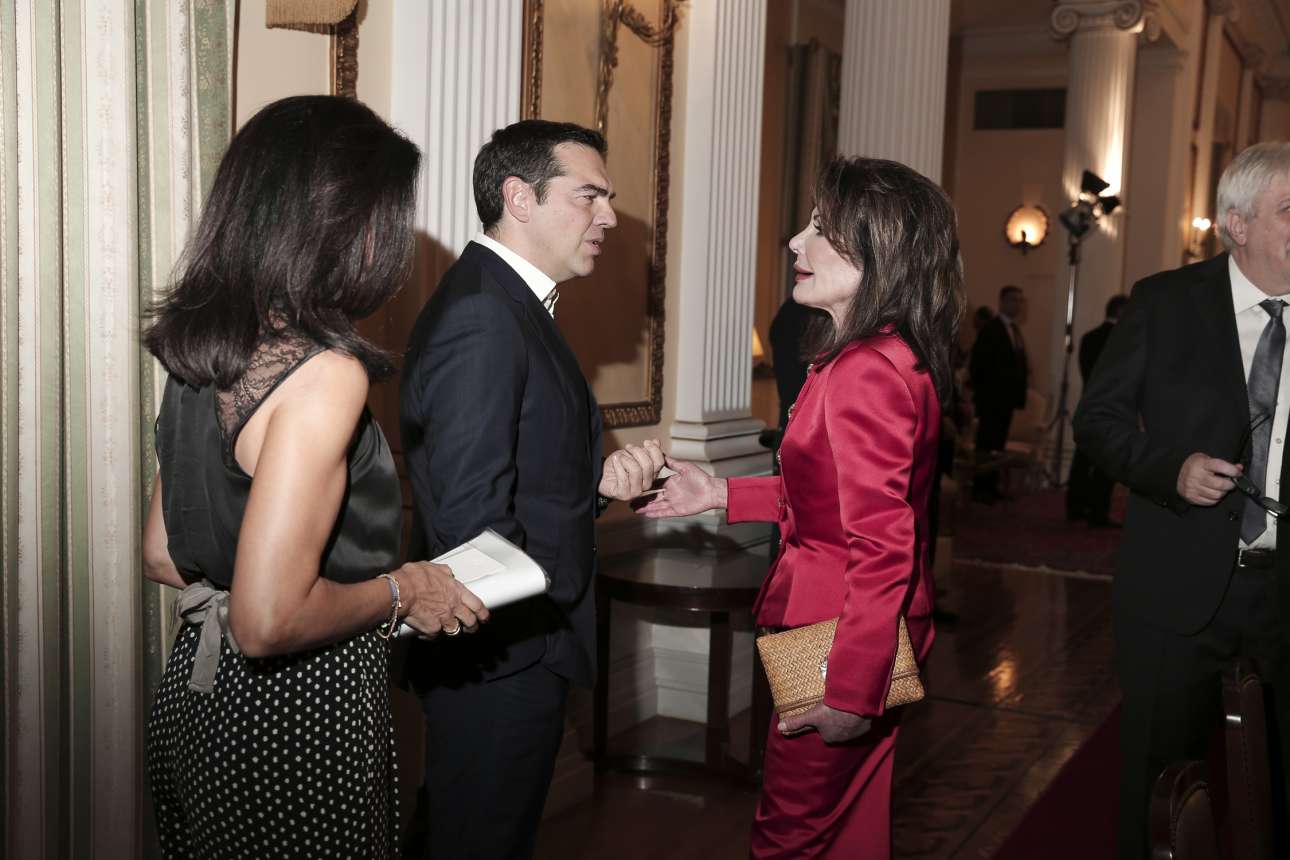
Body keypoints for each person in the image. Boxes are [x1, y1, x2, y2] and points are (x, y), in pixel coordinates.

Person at [141, 96, 487, 859]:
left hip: (196, 701)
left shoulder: (200, 348)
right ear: (343, 223)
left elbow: (162, 554)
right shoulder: (326, 373)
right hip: (301, 717)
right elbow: (267, 622)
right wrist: (405, 589)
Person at [639, 156, 963, 858]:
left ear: (878, 250)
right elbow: (834, 499)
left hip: (839, 635)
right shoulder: (885, 354)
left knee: (789, 834)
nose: (795, 240)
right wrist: (721, 493)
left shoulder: (865, 371)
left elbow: (883, 544)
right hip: (864, 628)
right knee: (849, 829)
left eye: (821, 226)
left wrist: (850, 690)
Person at [400, 120, 664, 859]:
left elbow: (514, 477)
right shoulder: (485, 314)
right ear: (519, 198)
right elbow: (470, 515)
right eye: (589, 196)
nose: (609, 216)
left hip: (505, 652)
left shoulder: (505, 303)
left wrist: (596, 484)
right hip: (500, 656)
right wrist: (538, 649)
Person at [1074, 141, 1290, 858]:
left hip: (1283, 594)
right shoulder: (1166, 302)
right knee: (1160, 783)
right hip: (1177, 587)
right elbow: (1098, 421)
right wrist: (1172, 469)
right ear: (1238, 222)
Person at [1066, 294, 1127, 526]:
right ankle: (1098, 513)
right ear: (1121, 312)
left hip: (1089, 407)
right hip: (1113, 409)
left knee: (1082, 459)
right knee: (1106, 462)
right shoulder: (1122, 339)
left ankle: (1074, 507)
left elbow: (1087, 374)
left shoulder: (1089, 337)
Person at [970, 285, 1029, 502]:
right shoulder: (991, 329)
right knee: (987, 443)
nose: (1018, 304)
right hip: (991, 400)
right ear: (1002, 302)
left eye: (1020, 300)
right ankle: (980, 488)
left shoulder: (1014, 330)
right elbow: (978, 365)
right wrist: (985, 395)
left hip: (1006, 400)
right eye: (1014, 300)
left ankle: (991, 485)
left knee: (998, 444)